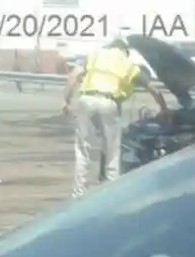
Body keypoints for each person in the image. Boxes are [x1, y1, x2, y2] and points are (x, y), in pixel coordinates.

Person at [63, 35, 167, 196]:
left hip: (85, 100)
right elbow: (154, 90)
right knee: (112, 150)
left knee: (83, 149)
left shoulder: (95, 55)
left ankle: (78, 194)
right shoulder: (128, 64)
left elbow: (73, 76)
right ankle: (111, 191)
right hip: (108, 103)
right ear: (125, 51)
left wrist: (66, 100)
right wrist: (164, 108)